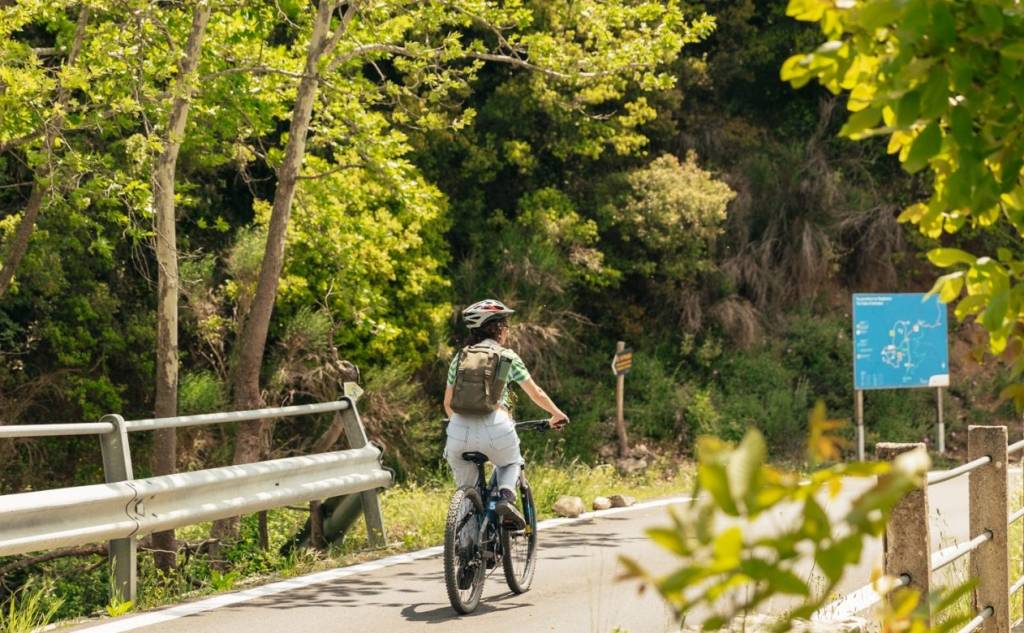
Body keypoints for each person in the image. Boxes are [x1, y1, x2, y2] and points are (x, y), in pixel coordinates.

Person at [444, 299, 568, 528]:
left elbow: (448, 403)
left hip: (458, 431)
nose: (507, 329)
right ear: (497, 328)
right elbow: (536, 393)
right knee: (511, 463)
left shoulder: (460, 358)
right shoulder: (506, 357)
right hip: (497, 426)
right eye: (505, 324)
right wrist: (557, 414)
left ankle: (467, 551)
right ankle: (506, 499)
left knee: (467, 495)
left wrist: (464, 425)